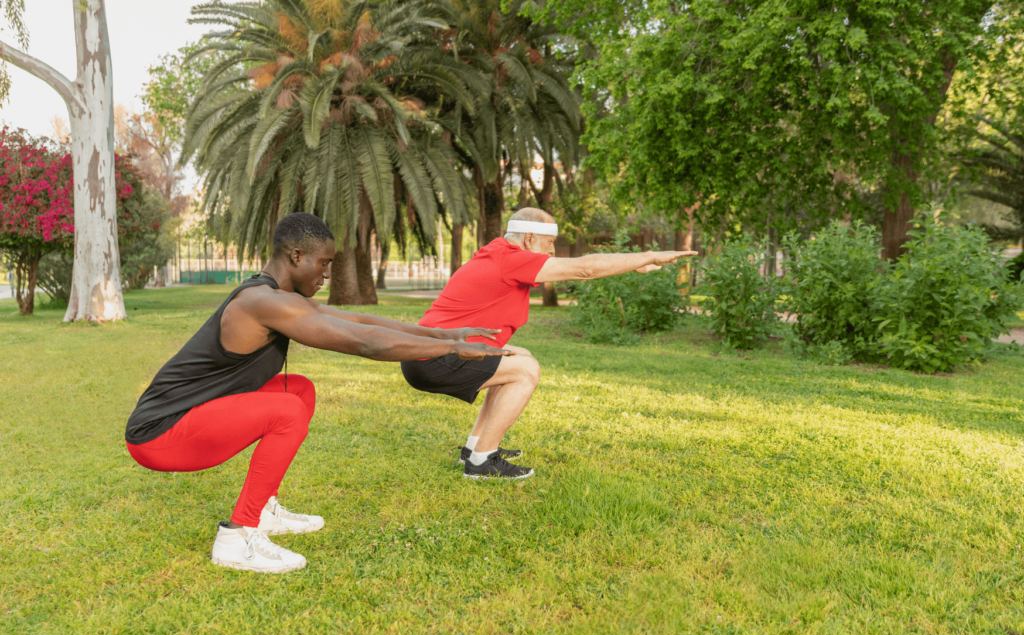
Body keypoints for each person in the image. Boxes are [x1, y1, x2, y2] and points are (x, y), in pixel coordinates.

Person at [125, 213, 510, 574]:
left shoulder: (277, 296)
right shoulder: (263, 302)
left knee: (299, 390)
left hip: (189, 419)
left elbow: (358, 319)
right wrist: (452, 350)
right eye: (323, 263)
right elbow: (365, 342)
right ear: (296, 256)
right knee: (287, 410)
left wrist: (444, 334)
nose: (328, 273)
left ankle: (263, 511)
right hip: (159, 436)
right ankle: (236, 537)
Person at [401, 207, 697, 480]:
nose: (554, 251)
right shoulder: (510, 259)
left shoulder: (499, 254)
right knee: (526, 369)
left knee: (517, 356)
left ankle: (475, 447)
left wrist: (632, 265)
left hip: (429, 354)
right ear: (529, 239)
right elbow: (586, 268)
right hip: (434, 359)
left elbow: (587, 269)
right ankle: (481, 463)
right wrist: (649, 256)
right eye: (550, 242)